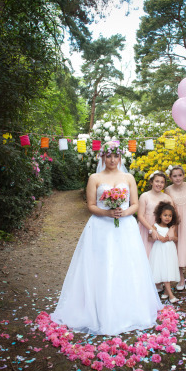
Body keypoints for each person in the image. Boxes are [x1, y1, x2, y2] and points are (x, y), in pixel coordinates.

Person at [51, 141, 162, 336]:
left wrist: (123, 212)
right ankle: (98, 307)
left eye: (116, 156)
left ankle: (126, 307)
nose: (112, 160)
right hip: (100, 226)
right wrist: (107, 213)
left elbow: (135, 204)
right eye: (108, 156)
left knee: (125, 264)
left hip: (124, 226)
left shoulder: (128, 177)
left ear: (121, 158)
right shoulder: (95, 178)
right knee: (101, 264)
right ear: (102, 157)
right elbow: (91, 205)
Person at [149, 202, 180, 303]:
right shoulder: (155, 226)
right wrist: (156, 237)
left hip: (169, 250)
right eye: (165, 215)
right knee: (163, 269)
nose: (167, 218)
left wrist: (171, 237)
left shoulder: (170, 228)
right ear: (160, 216)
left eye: (170, 216)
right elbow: (149, 238)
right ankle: (171, 295)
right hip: (159, 250)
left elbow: (176, 238)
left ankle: (166, 292)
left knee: (168, 269)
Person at [138, 171, 173, 258]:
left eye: (162, 182)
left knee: (158, 254)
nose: (159, 184)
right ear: (151, 182)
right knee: (146, 252)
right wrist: (152, 230)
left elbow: (174, 216)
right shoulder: (144, 196)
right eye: (157, 181)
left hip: (161, 228)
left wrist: (172, 229)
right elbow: (140, 216)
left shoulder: (167, 198)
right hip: (146, 227)